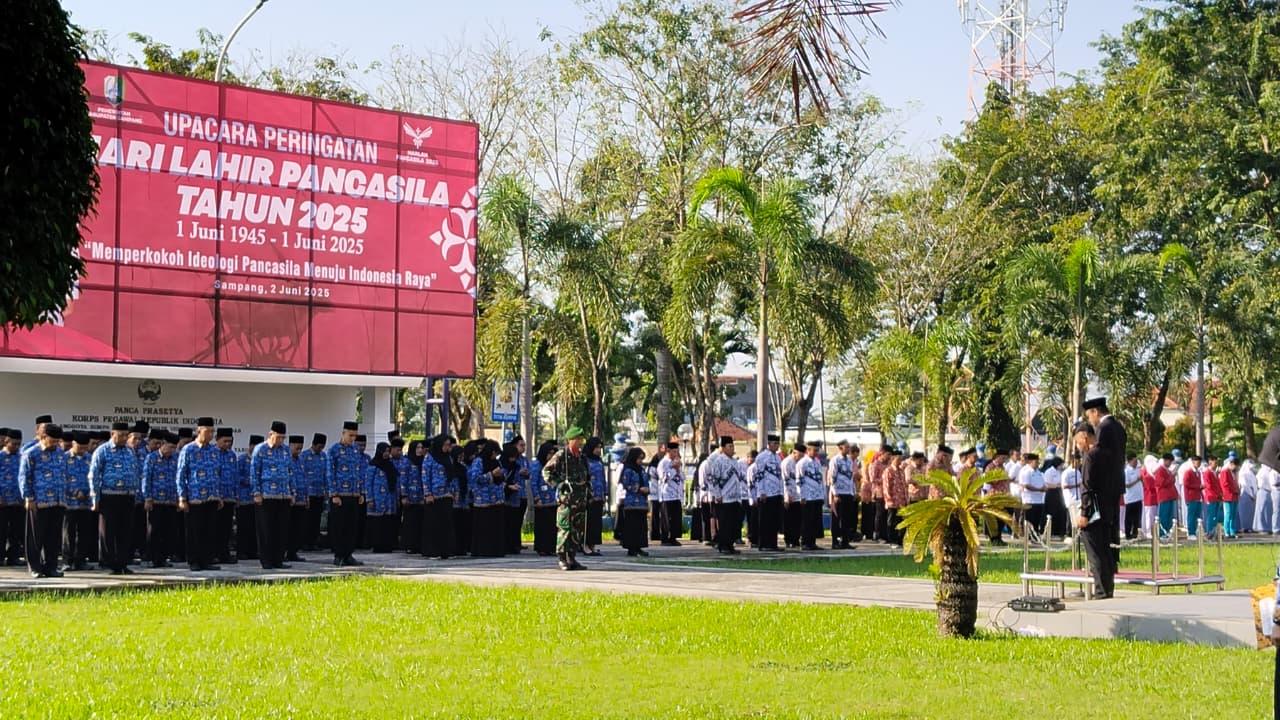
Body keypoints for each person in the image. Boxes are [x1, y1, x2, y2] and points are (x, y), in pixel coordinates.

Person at [90, 421, 143, 575]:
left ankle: (122, 563)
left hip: (127, 496)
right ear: (112, 434)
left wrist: (136, 493)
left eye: (126, 435)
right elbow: (94, 475)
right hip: (109, 496)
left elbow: (135, 472)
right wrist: (95, 498)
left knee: (125, 531)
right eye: (121, 435)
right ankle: (108, 563)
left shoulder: (130, 451)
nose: (124, 438)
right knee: (108, 531)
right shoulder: (102, 451)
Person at [1074, 422, 1120, 599]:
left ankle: (1100, 590)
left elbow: (1087, 487)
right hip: (1108, 509)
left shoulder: (1090, 456)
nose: (1078, 446)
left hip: (1093, 511)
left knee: (1095, 553)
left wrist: (1084, 513)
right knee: (1106, 551)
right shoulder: (1110, 454)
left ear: (1084, 437)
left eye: (1078, 441)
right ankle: (1108, 589)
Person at [19, 423, 67, 578]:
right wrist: (28, 498)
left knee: (53, 537)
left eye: (57, 441)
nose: (55, 444)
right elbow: (24, 477)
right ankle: (35, 567)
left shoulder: (60, 453)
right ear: (44, 437)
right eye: (52, 441)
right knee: (36, 537)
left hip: (58, 501)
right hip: (39, 501)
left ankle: (51, 567)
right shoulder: (31, 453)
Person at [547, 426, 591, 570]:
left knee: (577, 530)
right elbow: (546, 471)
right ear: (570, 440)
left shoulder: (582, 457)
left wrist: (589, 493)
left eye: (581, 439)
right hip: (567, 500)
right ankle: (562, 558)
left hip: (580, 499)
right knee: (565, 529)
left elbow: (587, 476)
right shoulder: (562, 455)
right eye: (577, 439)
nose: (580, 442)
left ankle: (572, 558)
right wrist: (559, 484)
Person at [326, 421, 366, 567]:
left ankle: (348, 554)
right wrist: (334, 494)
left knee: (351, 526)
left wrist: (361, 492)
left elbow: (360, 471)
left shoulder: (355, 450)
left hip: (354, 494)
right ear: (343, 433)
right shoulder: (334, 450)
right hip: (340, 495)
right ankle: (339, 555)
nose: (353, 439)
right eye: (350, 435)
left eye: (355, 436)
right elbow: (330, 472)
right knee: (339, 526)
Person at [141, 432, 179, 568]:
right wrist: (147, 497)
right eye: (170, 447)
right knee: (154, 530)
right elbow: (146, 478)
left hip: (170, 501)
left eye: (174, 448)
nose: (172, 450)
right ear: (163, 444)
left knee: (168, 531)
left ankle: (163, 558)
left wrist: (179, 497)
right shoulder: (151, 458)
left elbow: (178, 479)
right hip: (155, 501)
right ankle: (151, 558)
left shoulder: (175, 459)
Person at [703, 436, 745, 555]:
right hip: (724, 498)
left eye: (733, 446)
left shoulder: (735, 461)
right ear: (723, 448)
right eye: (730, 446)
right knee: (725, 524)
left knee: (733, 524)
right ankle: (724, 545)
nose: (732, 449)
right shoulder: (718, 461)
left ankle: (730, 545)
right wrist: (717, 494)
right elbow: (713, 480)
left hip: (735, 498)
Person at [62, 431, 95, 571]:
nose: (82, 450)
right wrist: (74, 491)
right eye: (80, 447)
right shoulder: (64, 458)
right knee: (68, 533)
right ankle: (67, 561)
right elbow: (61, 478)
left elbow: (94, 477)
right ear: (73, 444)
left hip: (86, 504)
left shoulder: (90, 458)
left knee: (84, 533)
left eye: (85, 447)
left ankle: (80, 560)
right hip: (69, 503)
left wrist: (89, 492)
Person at [468, 440, 506, 558]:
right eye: (494, 453)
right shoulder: (478, 461)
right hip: (483, 498)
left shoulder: (496, 462)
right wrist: (491, 474)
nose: (495, 456)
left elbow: (502, 475)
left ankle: (496, 550)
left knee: (495, 526)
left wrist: (500, 475)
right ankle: (482, 550)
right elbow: (475, 478)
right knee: (484, 526)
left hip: (497, 498)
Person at [421, 435, 457, 560]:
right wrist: (427, 494)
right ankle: (432, 551)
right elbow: (425, 476)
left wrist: (454, 491)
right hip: (434, 496)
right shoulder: (429, 457)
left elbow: (452, 475)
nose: (447, 447)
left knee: (446, 524)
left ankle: (447, 551)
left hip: (447, 495)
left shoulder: (449, 458)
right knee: (433, 525)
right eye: (446, 445)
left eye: (449, 445)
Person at [363, 442, 398, 554]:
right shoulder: (373, 465)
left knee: (387, 523)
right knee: (378, 524)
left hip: (388, 499)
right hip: (377, 499)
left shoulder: (390, 465)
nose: (387, 454)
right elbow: (368, 483)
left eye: (388, 451)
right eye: (385, 451)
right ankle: (377, 546)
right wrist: (369, 499)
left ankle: (387, 545)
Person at [617, 447, 650, 557]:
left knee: (641, 526)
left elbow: (646, 481)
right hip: (632, 502)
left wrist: (647, 489)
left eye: (642, 458)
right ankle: (632, 548)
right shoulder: (628, 470)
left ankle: (639, 546)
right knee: (632, 526)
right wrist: (638, 489)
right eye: (639, 458)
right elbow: (625, 484)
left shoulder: (642, 470)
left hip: (642, 502)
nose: (640, 461)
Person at [220, 429, 247, 564]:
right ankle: (213, 553)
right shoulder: (212, 453)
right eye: (225, 441)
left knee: (226, 528)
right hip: (217, 497)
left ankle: (224, 554)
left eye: (230, 441)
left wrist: (236, 495)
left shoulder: (232, 455)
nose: (228, 444)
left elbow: (236, 476)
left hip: (230, 497)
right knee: (215, 528)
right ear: (217, 439)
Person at [753, 435, 784, 551]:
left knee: (774, 521)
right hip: (766, 493)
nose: (776, 446)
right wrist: (761, 491)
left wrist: (781, 492)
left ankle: (772, 543)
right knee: (765, 521)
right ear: (769, 444)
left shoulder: (778, 458)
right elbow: (759, 475)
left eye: (777, 444)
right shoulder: (762, 457)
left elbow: (779, 477)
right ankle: (764, 544)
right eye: (774, 443)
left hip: (776, 493)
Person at [827, 440, 859, 549]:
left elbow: (851, 477)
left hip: (848, 492)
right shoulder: (835, 460)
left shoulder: (849, 460)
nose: (848, 449)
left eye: (849, 447)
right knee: (836, 518)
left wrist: (853, 491)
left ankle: (845, 541)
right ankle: (835, 541)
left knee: (847, 518)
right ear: (840, 448)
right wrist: (835, 494)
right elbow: (832, 478)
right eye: (846, 447)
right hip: (839, 493)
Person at [530, 440, 559, 557]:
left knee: (552, 525)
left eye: (553, 453)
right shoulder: (537, 465)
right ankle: (542, 547)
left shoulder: (553, 465)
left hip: (552, 499)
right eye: (549, 453)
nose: (551, 456)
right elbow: (533, 482)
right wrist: (537, 497)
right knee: (542, 525)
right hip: (541, 500)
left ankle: (551, 547)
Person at [300, 434, 328, 551]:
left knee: (316, 519)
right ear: (314, 444)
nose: (320, 449)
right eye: (319, 447)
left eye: (322, 447)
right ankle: (305, 542)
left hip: (319, 492)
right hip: (309, 493)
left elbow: (326, 474)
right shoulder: (304, 456)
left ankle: (314, 542)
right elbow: (302, 475)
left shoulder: (323, 456)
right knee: (307, 519)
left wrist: (327, 490)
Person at [0, 428, 23, 566]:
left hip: (18, 501)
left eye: (18, 444)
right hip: (2, 502)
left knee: (16, 531)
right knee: (1, 531)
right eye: (13, 444)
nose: (16, 446)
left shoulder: (22, 456)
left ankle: (13, 557)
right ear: (6, 441)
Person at [655, 442, 684, 546]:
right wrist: (674, 469)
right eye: (674, 451)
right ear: (668, 451)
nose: (676, 454)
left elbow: (683, 477)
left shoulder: (677, 462)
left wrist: (678, 469)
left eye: (677, 452)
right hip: (666, 495)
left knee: (676, 518)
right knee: (667, 518)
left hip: (677, 494)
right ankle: (665, 538)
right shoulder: (663, 463)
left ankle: (673, 537)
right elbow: (663, 478)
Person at [286, 435, 309, 562]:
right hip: (290, 499)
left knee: (297, 528)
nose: (299, 451)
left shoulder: (301, 461)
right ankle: (284, 551)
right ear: (290, 446)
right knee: (287, 527)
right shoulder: (286, 459)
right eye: (297, 448)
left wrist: (306, 497)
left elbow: (305, 478)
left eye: (301, 448)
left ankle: (293, 552)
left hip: (301, 499)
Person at [398, 440, 424, 555]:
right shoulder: (407, 462)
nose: (420, 450)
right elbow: (403, 479)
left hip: (421, 497)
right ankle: (409, 545)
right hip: (410, 497)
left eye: (421, 448)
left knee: (420, 522)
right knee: (410, 522)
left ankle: (419, 545)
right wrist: (404, 495)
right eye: (417, 448)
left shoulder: (424, 461)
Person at [583, 437, 607, 556]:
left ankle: (593, 545)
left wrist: (605, 493)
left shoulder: (599, 461)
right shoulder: (584, 460)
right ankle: (585, 545)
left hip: (599, 495)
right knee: (588, 522)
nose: (598, 450)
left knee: (596, 522)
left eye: (600, 448)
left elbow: (603, 477)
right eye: (596, 447)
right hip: (589, 496)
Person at [882, 449, 908, 547]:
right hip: (892, 501)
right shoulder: (888, 471)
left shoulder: (901, 471)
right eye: (898, 459)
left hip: (902, 501)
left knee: (901, 521)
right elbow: (886, 486)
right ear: (893, 458)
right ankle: (892, 540)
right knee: (892, 521)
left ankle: (900, 540)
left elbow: (904, 485)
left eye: (901, 459)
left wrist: (906, 498)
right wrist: (889, 499)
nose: (900, 461)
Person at [1017, 453, 1045, 536]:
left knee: (1037, 520)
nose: (1037, 464)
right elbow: (1026, 485)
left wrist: (1044, 488)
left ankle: (1035, 535)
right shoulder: (1026, 471)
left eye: (1038, 462)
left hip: (1039, 500)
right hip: (1029, 500)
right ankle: (1029, 536)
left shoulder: (1039, 472)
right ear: (1030, 462)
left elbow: (1043, 483)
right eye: (1036, 462)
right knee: (1029, 520)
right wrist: (1039, 489)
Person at [1182, 455, 1204, 539]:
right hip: (1191, 497)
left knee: (1197, 515)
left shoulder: (1198, 472)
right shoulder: (1188, 472)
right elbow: (1186, 484)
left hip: (1198, 497)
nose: (1198, 464)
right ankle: (1191, 532)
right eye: (1197, 462)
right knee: (1191, 515)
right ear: (1193, 462)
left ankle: (1196, 531)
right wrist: (1198, 486)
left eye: (1199, 462)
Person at [1220, 457, 1241, 539]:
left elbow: (1235, 483)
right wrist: (1234, 490)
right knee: (1228, 514)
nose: (1236, 468)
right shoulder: (1225, 471)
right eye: (1236, 466)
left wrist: (1238, 490)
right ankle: (1226, 531)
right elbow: (1225, 484)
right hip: (1228, 496)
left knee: (1233, 514)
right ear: (1232, 464)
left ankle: (1232, 531)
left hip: (1234, 496)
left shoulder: (1233, 473)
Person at [1202, 455, 1223, 538]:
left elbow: (1218, 484)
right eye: (1215, 462)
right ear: (1210, 462)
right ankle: (1209, 531)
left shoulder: (1216, 473)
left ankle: (1214, 531)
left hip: (1217, 497)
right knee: (1210, 515)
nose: (1216, 464)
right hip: (1211, 497)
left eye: (1217, 462)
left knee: (1215, 515)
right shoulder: (1207, 473)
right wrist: (1217, 494)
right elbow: (1208, 486)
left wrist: (1220, 494)